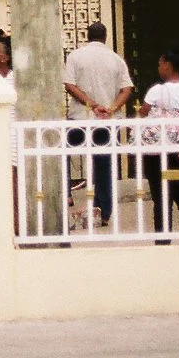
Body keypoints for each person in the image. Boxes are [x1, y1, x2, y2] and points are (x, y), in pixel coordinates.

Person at [62, 22, 133, 229]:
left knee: (63, 150)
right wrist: (111, 108)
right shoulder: (116, 59)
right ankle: (104, 212)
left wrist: (91, 105)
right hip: (107, 122)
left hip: (80, 118)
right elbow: (127, 88)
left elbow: (69, 85)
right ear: (105, 37)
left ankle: (67, 192)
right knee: (104, 164)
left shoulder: (75, 56)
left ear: (87, 35)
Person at [139, 50, 179, 234]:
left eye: (160, 64)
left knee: (160, 196)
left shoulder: (157, 90)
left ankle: (163, 238)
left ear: (168, 65)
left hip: (158, 149)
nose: (159, 68)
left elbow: (143, 112)